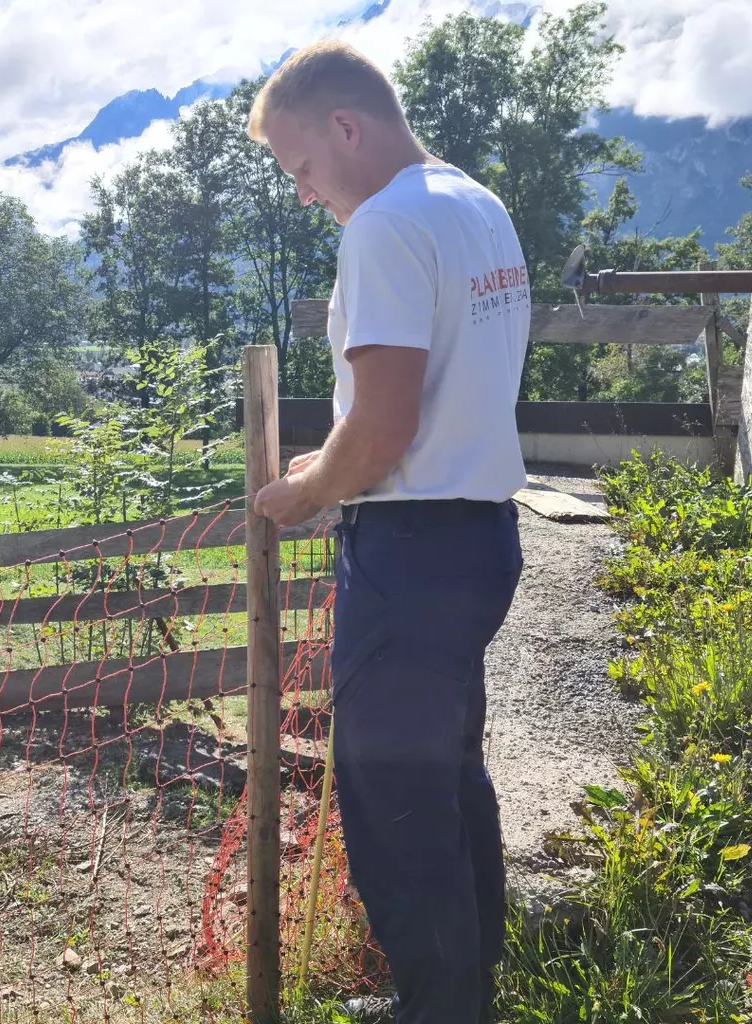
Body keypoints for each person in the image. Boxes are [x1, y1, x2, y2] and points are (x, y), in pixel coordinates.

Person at [248, 39, 530, 1024]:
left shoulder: (383, 226)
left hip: (409, 553)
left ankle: (438, 1008)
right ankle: (462, 987)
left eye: (301, 168)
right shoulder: (474, 203)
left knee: (390, 804)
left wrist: (308, 488)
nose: (302, 191)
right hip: (478, 534)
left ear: (344, 126)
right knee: (447, 775)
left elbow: (381, 425)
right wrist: (338, 467)